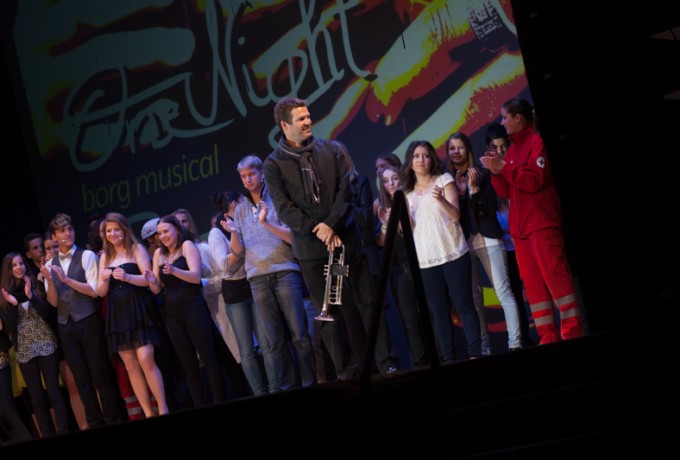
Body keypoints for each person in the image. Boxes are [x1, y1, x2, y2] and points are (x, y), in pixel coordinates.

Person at [263, 96, 367, 381]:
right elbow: (284, 208)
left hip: (338, 244)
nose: (308, 121)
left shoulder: (329, 150)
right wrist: (317, 229)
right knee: (327, 312)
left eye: (308, 116)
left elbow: (345, 191)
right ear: (285, 125)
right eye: (301, 119)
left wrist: (330, 225)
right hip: (311, 252)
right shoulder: (273, 164)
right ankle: (345, 373)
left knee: (350, 307)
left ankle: (367, 367)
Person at [480, 98, 584, 344]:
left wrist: (504, 168)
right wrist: (496, 171)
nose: (502, 123)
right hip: (521, 232)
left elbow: (534, 180)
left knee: (558, 282)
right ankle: (547, 338)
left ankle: (573, 335)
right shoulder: (513, 149)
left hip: (541, 225)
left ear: (518, 118)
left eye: (505, 117)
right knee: (535, 290)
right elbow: (505, 191)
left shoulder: (537, 142)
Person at [230, 154, 316, 389]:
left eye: (251, 174)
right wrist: (233, 232)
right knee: (274, 339)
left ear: (261, 173)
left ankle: (309, 384)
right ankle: (288, 388)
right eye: (243, 176)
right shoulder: (240, 210)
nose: (247, 180)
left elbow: (292, 238)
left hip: (284, 271)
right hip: (257, 278)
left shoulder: (279, 199)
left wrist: (267, 222)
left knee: (299, 334)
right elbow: (238, 251)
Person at [442, 131, 523, 353]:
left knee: (503, 291)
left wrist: (474, 191)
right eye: (452, 148)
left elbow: (490, 207)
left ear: (467, 149)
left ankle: (515, 344)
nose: (456, 152)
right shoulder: (446, 180)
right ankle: (484, 349)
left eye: (460, 147)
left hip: (488, 238)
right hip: (463, 243)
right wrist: (460, 194)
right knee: (474, 300)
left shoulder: (483, 173)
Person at [401, 140, 482, 362]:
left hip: (453, 252)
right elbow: (408, 230)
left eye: (425, 155)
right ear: (410, 162)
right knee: (439, 312)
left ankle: (476, 354)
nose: (421, 160)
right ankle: (449, 358)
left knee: (465, 305)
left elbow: (455, 214)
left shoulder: (444, 180)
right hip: (427, 260)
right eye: (416, 156)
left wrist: (439, 199)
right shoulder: (406, 194)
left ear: (432, 159)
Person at [40, 213, 123, 428]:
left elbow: (95, 291)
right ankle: (95, 422)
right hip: (65, 325)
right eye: (62, 231)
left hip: (88, 320)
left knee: (100, 374)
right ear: (54, 236)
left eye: (70, 229)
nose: (67, 234)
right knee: (81, 379)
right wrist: (50, 281)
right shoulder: (50, 263)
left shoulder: (86, 256)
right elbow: (53, 303)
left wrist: (67, 280)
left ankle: (113, 419)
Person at [144, 215, 227, 407]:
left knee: (209, 359)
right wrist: (152, 280)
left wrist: (174, 271)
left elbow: (196, 277)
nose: (162, 236)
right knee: (188, 364)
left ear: (177, 230)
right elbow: (156, 290)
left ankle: (219, 402)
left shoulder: (187, 246)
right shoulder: (158, 254)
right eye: (159, 233)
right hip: (173, 314)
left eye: (166, 231)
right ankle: (199, 404)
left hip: (194, 307)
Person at [95, 212, 168, 417]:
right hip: (118, 312)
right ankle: (148, 412)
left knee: (146, 358)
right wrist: (104, 280)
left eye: (116, 230)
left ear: (124, 229)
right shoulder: (105, 257)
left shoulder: (137, 249)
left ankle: (163, 408)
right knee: (130, 365)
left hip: (138, 306)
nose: (113, 234)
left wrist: (127, 277)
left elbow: (148, 280)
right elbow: (100, 292)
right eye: (109, 231)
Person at [335, 141, 399, 375]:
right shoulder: (324, 193)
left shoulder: (358, 182)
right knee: (349, 315)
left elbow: (365, 220)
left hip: (361, 255)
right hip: (338, 258)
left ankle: (386, 363)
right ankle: (365, 369)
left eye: (338, 157)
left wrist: (342, 207)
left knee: (371, 311)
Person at [0, 252, 70, 437]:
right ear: (8, 270)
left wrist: (30, 295)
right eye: (14, 265)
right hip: (24, 349)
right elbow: (9, 328)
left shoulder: (34, 284)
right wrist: (13, 305)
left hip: (45, 342)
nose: (19, 267)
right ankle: (47, 435)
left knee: (54, 392)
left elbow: (47, 313)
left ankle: (64, 432)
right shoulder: (5, 295)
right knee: (37, 398)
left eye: (21, 263)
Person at [208, 190, 270, 396]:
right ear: (235, 205)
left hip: (255, 283)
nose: (248, 204)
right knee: (246, 349)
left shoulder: (249, 221)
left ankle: (276, 388)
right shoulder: (217, 232)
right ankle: (259, 392)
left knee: (267, 343)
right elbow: (225, 266)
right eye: (244, 201)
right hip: (235, 292)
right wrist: (239, 251)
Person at [485, 122, 536, 348]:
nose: (500, 152)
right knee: (513, 292)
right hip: (504, 244)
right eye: (495, 147)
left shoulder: (517, 164)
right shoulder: (487, 176)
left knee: (535, 287)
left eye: (504, 146)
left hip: (525, 236)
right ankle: (523, 338)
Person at [376, 164, 429, 368]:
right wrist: (385, 223)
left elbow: (412, 230)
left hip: (420, 263)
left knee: (430, 313)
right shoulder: (382, 207)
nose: (390, 184)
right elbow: (381, 242)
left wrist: (396, 220)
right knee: (409, 320)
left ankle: (441, 356)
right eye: (386, 181)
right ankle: (420, 361)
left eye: (394, 178)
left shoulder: (411, 198)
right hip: (398, 269)